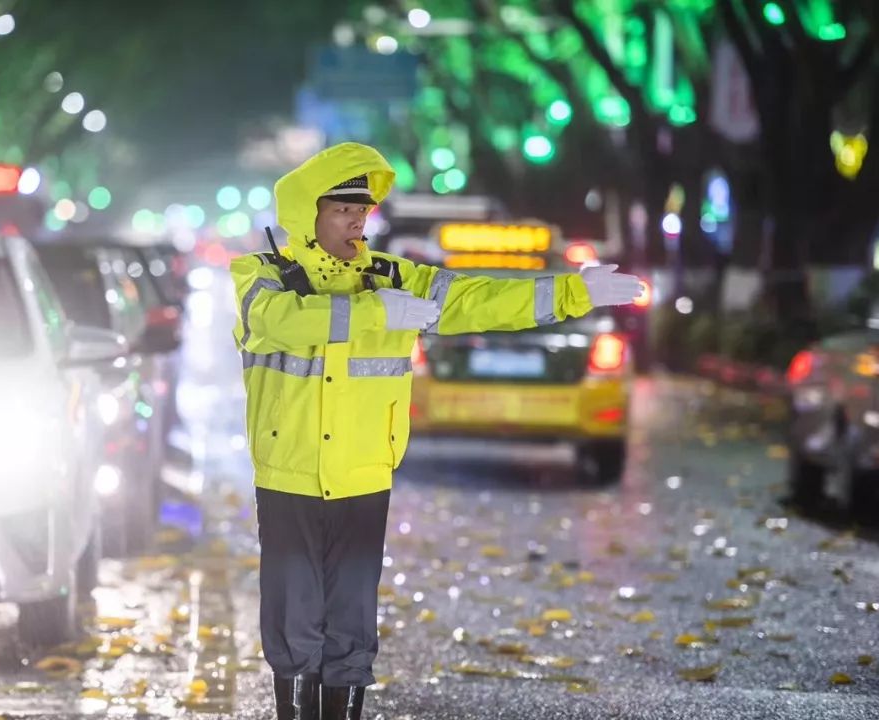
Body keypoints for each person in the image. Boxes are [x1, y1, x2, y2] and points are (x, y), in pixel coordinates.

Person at [230, 142, 642, 720]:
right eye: (343, 209)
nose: (357, 220)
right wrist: (380, 314)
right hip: (288, 475)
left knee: (350, 622)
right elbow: (277, 324)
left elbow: (480, 299)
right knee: (293, 618)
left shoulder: (397, 279)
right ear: (309, 214)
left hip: (363, 473)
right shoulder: (260, 276)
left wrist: (575, 291)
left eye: (363, 210)